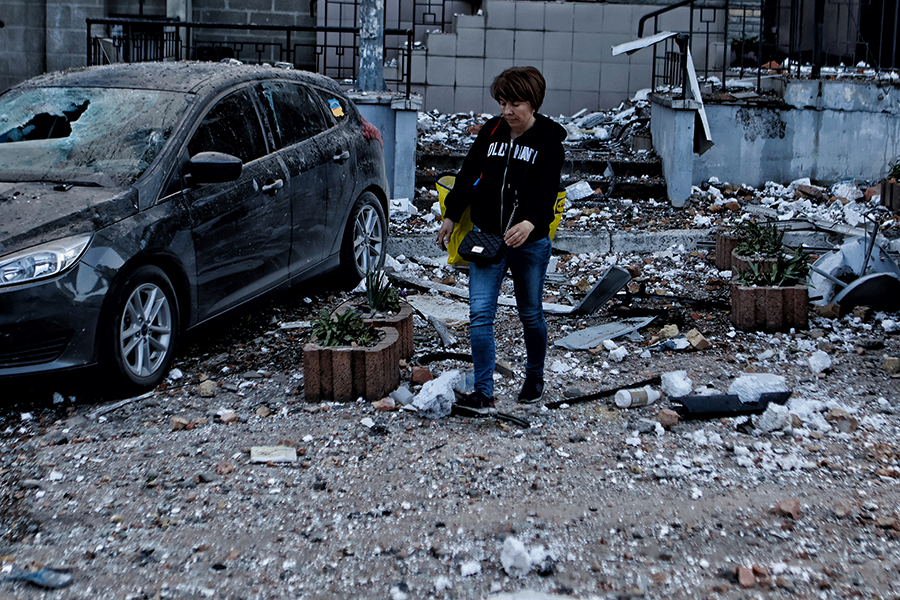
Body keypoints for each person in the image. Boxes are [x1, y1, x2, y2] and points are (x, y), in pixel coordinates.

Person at [437, 66, 566, 411]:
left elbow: (547, 193)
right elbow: (467, 174)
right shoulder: (492, 132)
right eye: (503, 103)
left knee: (530, 312)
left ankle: (535, 376)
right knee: (480, 314)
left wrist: (529, 223)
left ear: (533, 103)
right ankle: (483, 392)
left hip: (529, 243)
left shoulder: (549, 143)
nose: (507, 112)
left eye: (515, 104)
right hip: (487, 237)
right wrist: (451, 214)